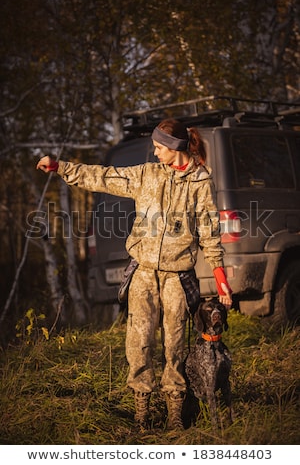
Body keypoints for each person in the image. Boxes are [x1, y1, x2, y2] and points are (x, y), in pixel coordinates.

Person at [36, 118, 232, 431]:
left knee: (176, 345)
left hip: (177, 276)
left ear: (174, 147)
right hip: (142, 272)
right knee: (139, 342)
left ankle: (176, 414)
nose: (154, 154)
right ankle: (142, 411)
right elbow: (103, 176)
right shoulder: (146, 175)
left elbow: (210, 233)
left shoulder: (199, 181)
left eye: (158, 148)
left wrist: (221, 279)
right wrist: (61, 167)